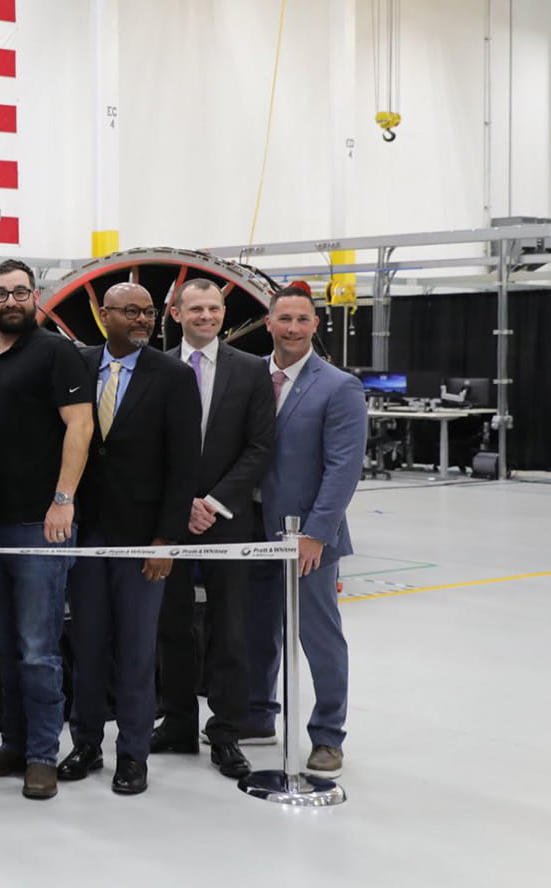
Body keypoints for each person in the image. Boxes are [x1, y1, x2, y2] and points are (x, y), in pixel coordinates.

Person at [0, 259, 93, 801]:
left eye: (20, 292)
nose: (11, 300)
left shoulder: (57, 353)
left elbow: (80, 426)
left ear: (35, 297)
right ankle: (13, 743)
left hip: (40, 526)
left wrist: (63, 500)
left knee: (38, 647)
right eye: (1, 292)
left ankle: (42, 755)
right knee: (0, 643)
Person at [58, 284, 199, 796]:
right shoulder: (77, 366)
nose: (143, 319)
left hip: (143, 541)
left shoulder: (174, 377)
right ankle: (86, 743)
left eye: (148, 311)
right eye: (132, 311)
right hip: (86, 535)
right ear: (103, 315)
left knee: (138, 652)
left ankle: (133, 755)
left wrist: (166, 539)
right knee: (88, 645)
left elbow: (184, 466)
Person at [152, 279, 274, 780]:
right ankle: (178, 721)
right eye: (195, 308)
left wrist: (214, 502)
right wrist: (180, 507)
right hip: (169, 521)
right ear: (177, 314)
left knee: (230, 629)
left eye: (213, 308)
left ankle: (226, 731)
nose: (206, 316)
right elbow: (145, 448)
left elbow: (260, 448)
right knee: (171, 624)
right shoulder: (157, 370)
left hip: (228, 520)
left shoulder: (251, 371)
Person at [244, 286, 365, 778]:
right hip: (252, 529)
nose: (292, 328)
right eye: (284, 319)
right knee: (258, 630)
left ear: (315, 325)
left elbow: (343, 469)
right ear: (268, 323)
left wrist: (316, 533)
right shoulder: (252, 377)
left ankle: (328, 736)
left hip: (308, 535)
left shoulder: (339, 387)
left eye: (302, 319)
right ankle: (257, 716)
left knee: (319, 636)